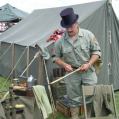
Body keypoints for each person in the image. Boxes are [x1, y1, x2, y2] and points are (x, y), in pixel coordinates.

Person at [53, 7, 101, 118]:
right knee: (73, 98)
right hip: (72, 74)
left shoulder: (88, 35)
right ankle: (75, 117)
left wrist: (89, 63)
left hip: (88, 72)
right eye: (67, 27)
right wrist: (64, 65)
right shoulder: (59, 42)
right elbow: (55, 57)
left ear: (76, 23)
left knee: (90, 95)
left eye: (71, 26)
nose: (69, 30)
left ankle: (88, 116)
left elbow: (97, 52)